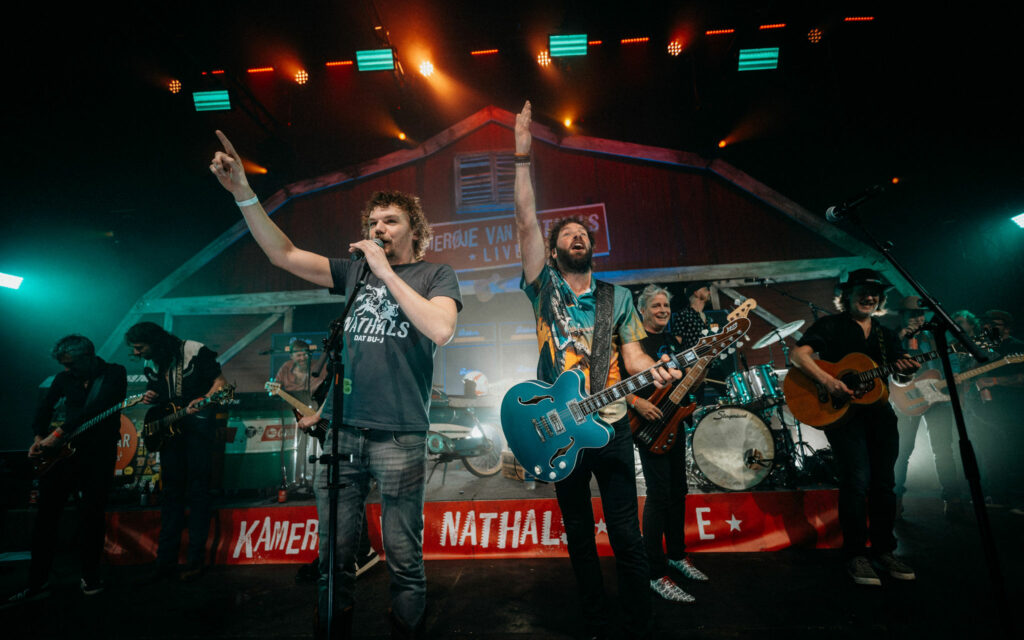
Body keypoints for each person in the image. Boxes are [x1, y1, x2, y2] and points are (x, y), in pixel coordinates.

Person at [210, 130, 462, 640]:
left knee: (403, 555)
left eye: (390, 220)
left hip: (399, 435)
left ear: (415, 229)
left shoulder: (435, 275)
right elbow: (283, 254)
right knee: (334, 555)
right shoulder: (353, 274)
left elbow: (440, 329)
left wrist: (384, 270)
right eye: (373, 222)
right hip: (343, 433)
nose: (379, 228)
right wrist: (243, 193)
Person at [512, 101, 679, 639]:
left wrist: (658, 369)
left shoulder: (618, 298)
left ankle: (639, 620)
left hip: (611, 427)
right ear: (553, 250)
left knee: (626, 534)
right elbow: (525, 221)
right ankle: (595, 618)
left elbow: (633, 358)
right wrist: (521, 156)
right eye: (566, 234)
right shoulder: (543, 289)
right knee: (580, 535)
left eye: (582, 233)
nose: (576, 237)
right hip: (560, 430)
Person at [790, 269, 920, 586]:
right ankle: (855, 555)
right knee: (856, 481)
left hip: (880, 414)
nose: (869, 296)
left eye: (875, 293)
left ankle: (885, 550)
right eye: (863, 290)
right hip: (843, 416)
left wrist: (907, 370)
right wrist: (829, 382)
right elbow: (798, 355)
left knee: (884, 484)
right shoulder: (830, 326)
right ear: (847, 295)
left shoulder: (886, 334)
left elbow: (900, 377)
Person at [3, 335, 127, 607]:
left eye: (71, 364)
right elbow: (44, 407)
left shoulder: (114, 373)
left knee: (92, 516)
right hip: (64, 457)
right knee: (46, 517)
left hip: (98, 455)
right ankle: (37, 582)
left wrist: (58, 433)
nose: (67, 369)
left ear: (88, 356)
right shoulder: (63, 378)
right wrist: (38, 436)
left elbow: (99, 406)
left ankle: (91, 577)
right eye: (64, 365)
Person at [625, 285, 709, 605]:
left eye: (666, 306)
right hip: (648, 424)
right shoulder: (633, 343)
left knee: (678, 492)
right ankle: (655, 572)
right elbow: (614, 383)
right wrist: (637, 403)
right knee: (659, 495)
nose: (663, 310)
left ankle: (676, 555)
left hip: (675, 422)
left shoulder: (674, 343)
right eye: (656, 305)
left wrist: (705, 361)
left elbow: (689, 382)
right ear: (642, 310)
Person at [126, 322, 227, 582]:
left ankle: (195, 560)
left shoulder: (194, 350)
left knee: (198, 492)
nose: (136, 353)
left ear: (155, 342)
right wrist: (152, 395)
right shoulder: (151, 363)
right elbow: (161, 393)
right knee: (171, 494)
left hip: (197, 429)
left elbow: (222, 385)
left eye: (140, 347)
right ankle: (165, 561)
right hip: (170, 433)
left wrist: (204, 398)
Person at [891, 298, 967, 518]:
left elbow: (951, 357)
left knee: (943, 449)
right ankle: (895, 499)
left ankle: (952, 498)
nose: (918, 318)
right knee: (902, 451)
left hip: (936, 396)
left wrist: (954, 374)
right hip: (906, 399)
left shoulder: (934, 336)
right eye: (912, 314)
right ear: (902, 316)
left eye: (920, 314)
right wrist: (900, 338)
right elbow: (883, 363)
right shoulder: (891, 337)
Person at [275, 338, 328, 486]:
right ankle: (297, 479)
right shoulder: (286, 368)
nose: (302, 358)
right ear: (291, 356)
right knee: (295, 447)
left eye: (305, 354)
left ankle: (315, 479)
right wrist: (274, 390)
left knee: (315, 447)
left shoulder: (320, 367)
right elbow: (276, 386)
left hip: (317, 410)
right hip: (292, 412)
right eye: (298, 355)